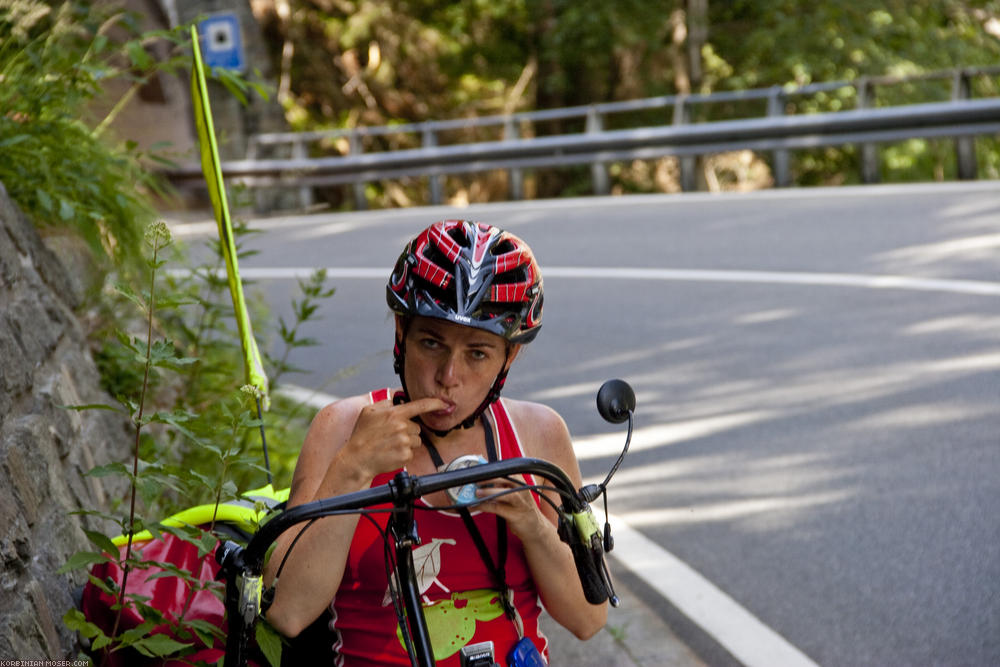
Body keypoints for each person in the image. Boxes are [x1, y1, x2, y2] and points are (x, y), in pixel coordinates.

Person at [264, 220, 607, 665]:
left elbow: (588, 618)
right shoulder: (342, 427)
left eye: (477, 353)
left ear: (510, 356)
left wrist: (533, 525)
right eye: (431, 343)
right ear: (401, 334)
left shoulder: (537, 435)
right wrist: (353, 468)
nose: (449, 377)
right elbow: (286, 612)